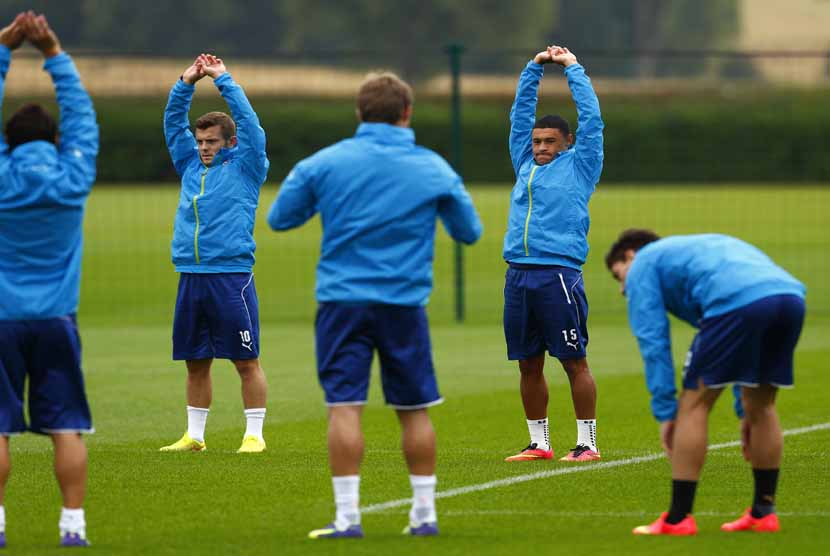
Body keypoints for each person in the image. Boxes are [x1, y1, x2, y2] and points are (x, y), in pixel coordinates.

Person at [268, 71, 482, 539]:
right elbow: (470, 232)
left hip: (342, 301)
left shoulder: (324, 163)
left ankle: (347, 518)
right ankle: (424, 514)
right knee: (416, 407)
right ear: (407, 113)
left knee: (344, 406)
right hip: (403, 304)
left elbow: (280, 218)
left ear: (359, 113)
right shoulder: (433, 167)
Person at [605, 229, 806, 535]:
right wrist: (744, 412)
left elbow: (653, 341)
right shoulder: (694, 248)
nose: (623, 289)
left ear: (630, 255)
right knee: (761, 407)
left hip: (739, 302)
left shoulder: (644, 263)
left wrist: (665, 413)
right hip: (790, 298)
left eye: (619, 276)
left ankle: (678, 518)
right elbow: (741, 346)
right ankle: (764, 512)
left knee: (694, 405)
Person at [0, 11, 99, 547]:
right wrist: (53, 53)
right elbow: (84, 120)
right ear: (56, 140)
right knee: (66, 425)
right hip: (57, 318)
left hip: (1, 317)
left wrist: (3, 51)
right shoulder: (72, 175)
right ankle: (72, 526)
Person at [160, 53, 270, 454]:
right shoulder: (190, 164)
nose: (204, 148)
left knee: (245, 360)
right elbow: (173, 125)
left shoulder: (247, 167)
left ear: (230, 142)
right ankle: (194, 436)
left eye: (211, 142)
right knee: (195, 360)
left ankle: (254, 435)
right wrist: (185, 82)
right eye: (201, 141)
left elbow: (253, 127)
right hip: (191, 274)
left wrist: (223, 80)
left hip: (231, 276)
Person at [502, 46, 604, 463]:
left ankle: (587, 443)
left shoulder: (581, 166)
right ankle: (539, 443)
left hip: (558, 275)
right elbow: (520, 116)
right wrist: (532, 69)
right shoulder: (525, 162)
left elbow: (593, 118)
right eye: (537, 141)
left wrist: (572, 68)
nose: (541, 147)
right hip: (518, 275)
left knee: (573, 361)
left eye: (549, 142)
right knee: (528, 364)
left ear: (568, 143)